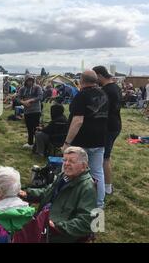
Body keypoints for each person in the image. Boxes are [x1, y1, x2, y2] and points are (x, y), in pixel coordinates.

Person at [19, 146, 97, 243]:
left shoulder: (87, 188)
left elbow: (86, 222)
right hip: (44, 220)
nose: (67, 164)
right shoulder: (64, 176)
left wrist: (57, 226)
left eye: (72, 161)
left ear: (84, 166)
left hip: (59, 232)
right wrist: (27, 193)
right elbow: (47, 192)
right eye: (65, 160)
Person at [61, 70, 108, 208]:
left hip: (82, 141)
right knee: (97, 172)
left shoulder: (82, 96)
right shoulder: (103, 94)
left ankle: (66, 201)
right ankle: (99, 204)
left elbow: (78, 121)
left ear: (81, 81)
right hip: (100, 139)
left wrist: (67, 143)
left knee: (69, 170)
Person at [93, 66, 122, 195]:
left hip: (108, 127)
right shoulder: (116, 87)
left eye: (95, 78)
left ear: (99, 76)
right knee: (105, 157)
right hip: (115, 124)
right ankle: (105, 184)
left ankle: (107, 187)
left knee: (104, 158)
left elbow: (99, 109)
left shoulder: (106, 90)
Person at [17, 75, 43, 148]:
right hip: (27, 111)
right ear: (25, 81)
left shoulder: (37, 87)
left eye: (31, 80)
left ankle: (38, 144)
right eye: (28, 80)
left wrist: (31, 100)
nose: (30, 82)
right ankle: (30, 143)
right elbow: (18, 98)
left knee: (36, 127)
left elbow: (40, 96)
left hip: (36, 110)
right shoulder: (22, 89)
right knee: (29, 127)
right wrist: (23, 102)